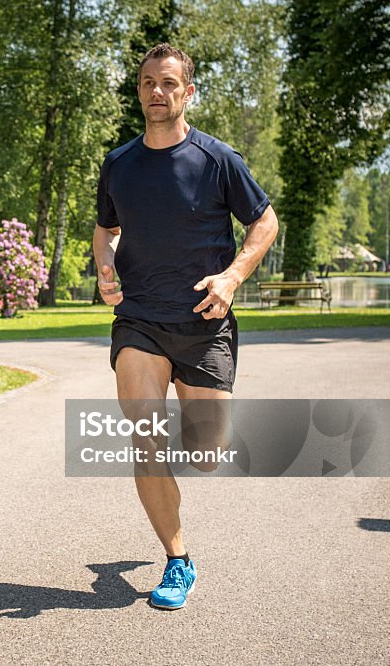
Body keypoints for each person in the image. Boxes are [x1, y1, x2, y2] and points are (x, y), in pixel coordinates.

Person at [92, 43, 279, 609]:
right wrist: (104, 266)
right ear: (139, 89)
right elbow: (105, 229)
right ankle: (178, 560)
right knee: (146, 437)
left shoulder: (217, 159)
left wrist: (231, 278)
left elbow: (265, 221)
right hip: (141, 321)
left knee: (204, 449)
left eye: (169, 83)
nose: (157, 92)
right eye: (148, 82)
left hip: (205, 321)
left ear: (187, 92)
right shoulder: (119, 164)